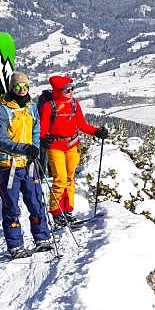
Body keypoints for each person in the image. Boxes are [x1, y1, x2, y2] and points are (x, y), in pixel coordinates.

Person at [0, 72, 52, 258]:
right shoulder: (2, 110)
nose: (22, 90)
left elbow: (36, 130)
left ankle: (42, 238)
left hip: (29, 164)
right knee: (11, 207)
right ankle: (15, 246)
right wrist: (25, 148)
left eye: (25, 87)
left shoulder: (31, 108)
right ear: (11, 88)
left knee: (36, 202)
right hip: (9, 166)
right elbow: (0, 140)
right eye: (18, 87)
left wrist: (35, 150)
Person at [39, 75, 109, 227]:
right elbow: (43, 129)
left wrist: (97, 132)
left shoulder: (74, 104)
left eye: (72, 88)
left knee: (70, 178)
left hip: (72, 145)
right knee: (60, 179)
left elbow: (82, 125)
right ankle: (56, 213)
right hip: (55, 147)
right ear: (58, 90)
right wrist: (44, 139)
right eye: (66, 90)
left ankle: (67, 211)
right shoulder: (49, 106)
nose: (70, 91)